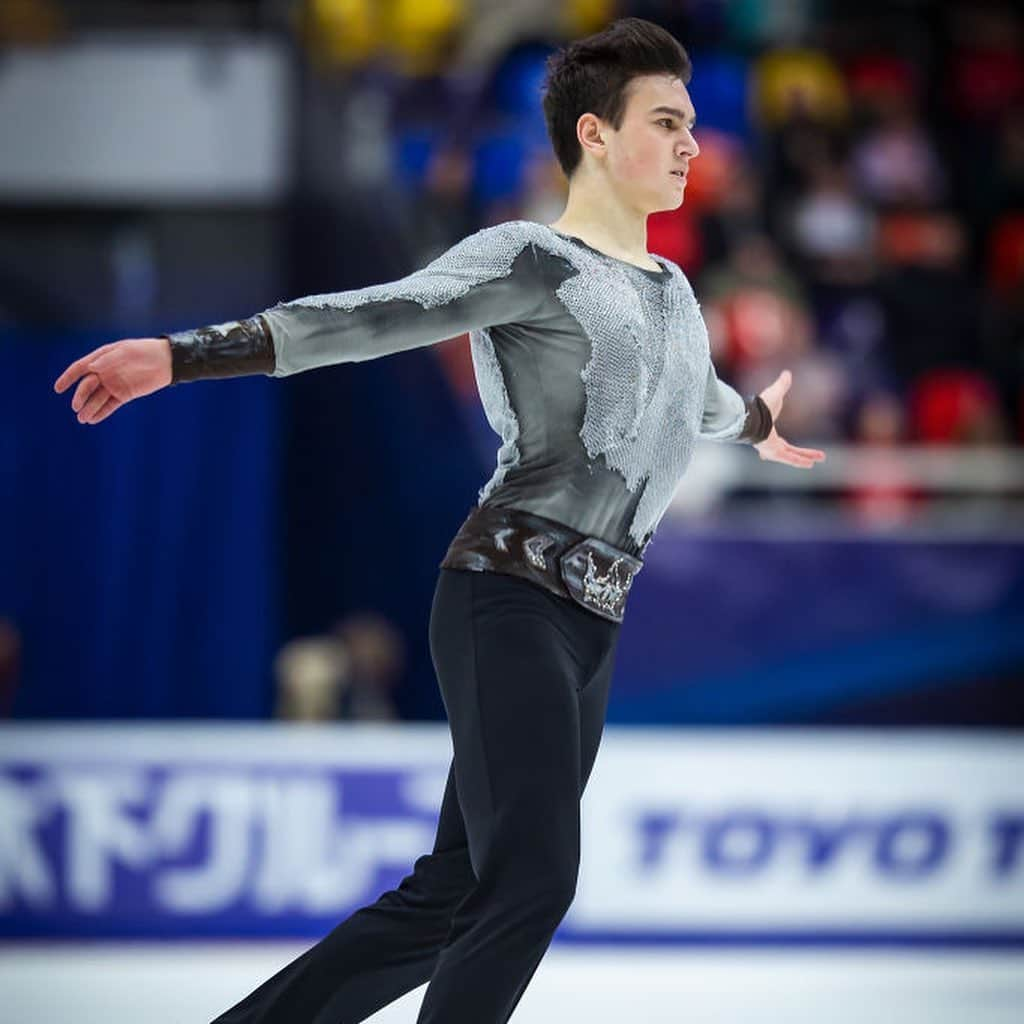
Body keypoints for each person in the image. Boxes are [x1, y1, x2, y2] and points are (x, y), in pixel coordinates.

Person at [53, 18, 825, 1023]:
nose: (693, 143)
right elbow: (370, 316)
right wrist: (185, 353)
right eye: (667, 121)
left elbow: (698, 396)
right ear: (593, 135)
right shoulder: (529, 258)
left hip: (590, 621)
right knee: (534, 876)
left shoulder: (674, 288)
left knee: (451, 894)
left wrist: (757, 421)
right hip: (508, 594)